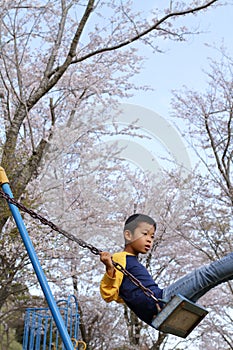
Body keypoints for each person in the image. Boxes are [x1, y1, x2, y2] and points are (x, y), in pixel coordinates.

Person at [100, 213, 233, 326]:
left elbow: (123, 293)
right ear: (128, 235)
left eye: (152, 237)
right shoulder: (119, 258)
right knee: (205, 274)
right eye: (145, 234)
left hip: (160, 307)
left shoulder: (132, 262)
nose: (149, 240)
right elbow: (109, 294)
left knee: (213, 280)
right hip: (161, 301)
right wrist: (109, 268)